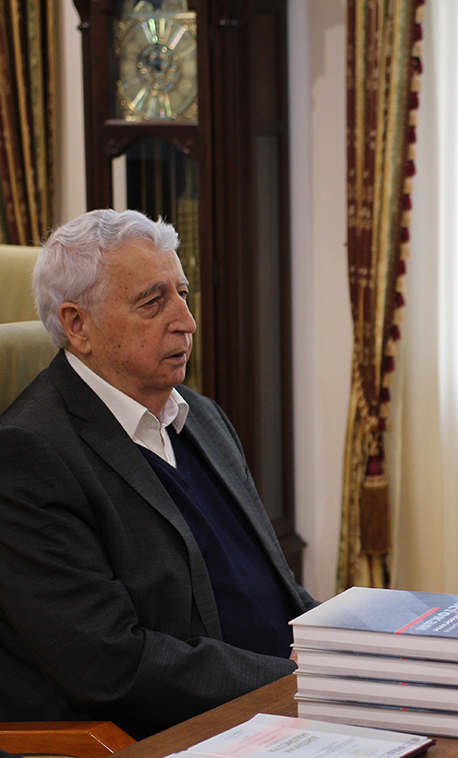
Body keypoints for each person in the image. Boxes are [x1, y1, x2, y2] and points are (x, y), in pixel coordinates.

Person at [0, 210, 317, 738]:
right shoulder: (29, 456)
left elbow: (276, 589)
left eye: (183, 294)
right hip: (187, 730)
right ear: (78, 325)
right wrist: (297, 683)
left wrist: (350, 651)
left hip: (291, 700)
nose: (186, 321)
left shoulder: (202, 416)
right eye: (153, 301)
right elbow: (112, 665)